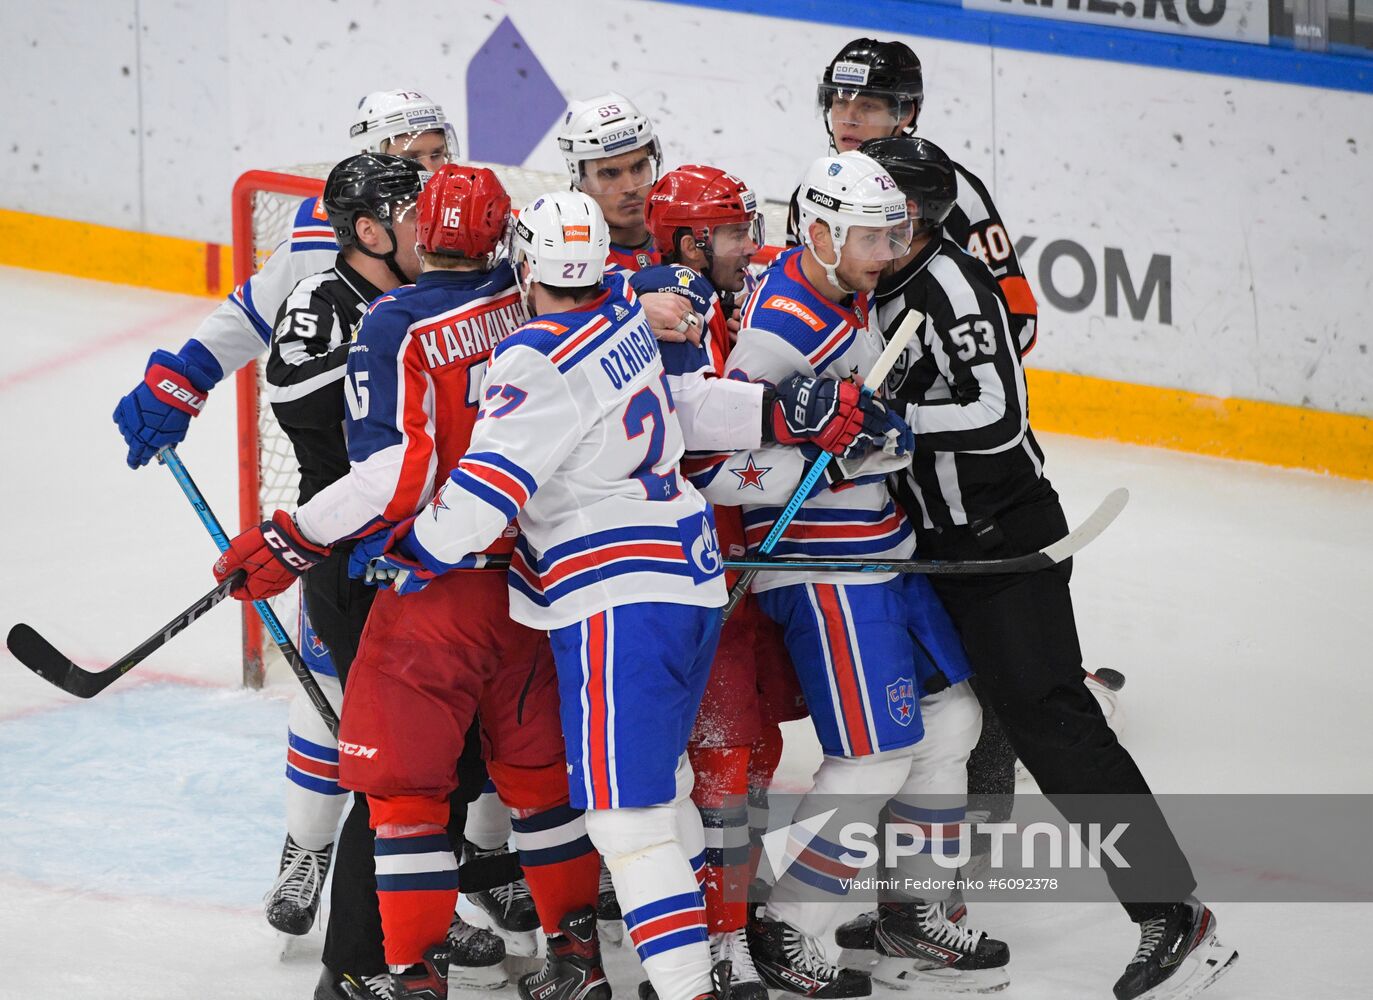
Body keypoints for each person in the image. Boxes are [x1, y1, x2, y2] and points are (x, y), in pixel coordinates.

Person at [859, 135, 1237, 1000]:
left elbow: (997, 413)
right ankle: (917, 907)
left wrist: (888, 425)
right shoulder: (872, 275)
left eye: (884, 203)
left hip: (999, 541)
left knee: (1049, 725)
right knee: (933, 724)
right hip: (928, 547)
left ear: (914, 213)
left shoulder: (953, 285)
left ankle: (1174, 915)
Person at [363, 189, 740, 1000]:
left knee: (623, 823)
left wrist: (415, 550)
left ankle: (689, 990)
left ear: (526, 264)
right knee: (662, 791)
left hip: (617, 600)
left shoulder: (533, 356)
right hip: (691, 579)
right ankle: (705, 966)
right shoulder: (627, 316)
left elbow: (487, 492)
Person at [691, 151, 1006, 997]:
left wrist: (878, 440)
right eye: (870, 235)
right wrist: (822, 465)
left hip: (883, 552)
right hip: (821, 567)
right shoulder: (779, 326)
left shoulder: (844, 287)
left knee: (952, 721)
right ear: (821, 231)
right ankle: (785, 926)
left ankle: (912, 911)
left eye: (893, 231)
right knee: (872, 759)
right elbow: (708, 461)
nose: (886, 249)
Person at [632, 165, 904, 1000]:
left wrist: (838, 436)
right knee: (706, 771)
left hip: (737, 571)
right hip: (687, 573)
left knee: (752, 758)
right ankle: (711, 947)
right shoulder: (658, 314)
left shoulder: (734, 293)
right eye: (732, 232)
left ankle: (736, 929)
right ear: (686, 241)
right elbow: (697, 463)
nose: (751, 246)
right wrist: (800, 468)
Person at [787, 38, 1038, 358]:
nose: (849, 118)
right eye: (839, 102)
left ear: (905, 113)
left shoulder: (950, 193)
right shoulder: (812, 190)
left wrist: (924, 380)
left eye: (867, 105)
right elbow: (803, 291)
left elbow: (1019, 319)